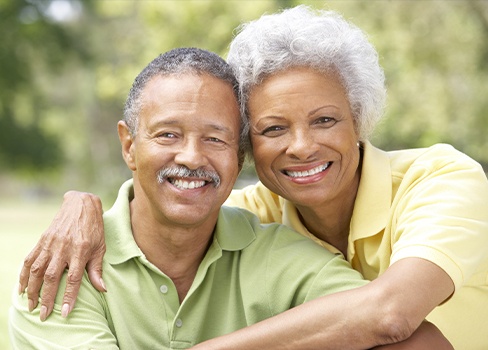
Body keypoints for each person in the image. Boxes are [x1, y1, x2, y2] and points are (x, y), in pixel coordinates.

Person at [18, 5, 488, 349]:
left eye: (324, 120)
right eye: (274, 128)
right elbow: (172, 202)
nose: (301, 145)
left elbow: (390, 314)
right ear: (249, 147)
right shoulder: (249, 219)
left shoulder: (441, 179)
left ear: (359, 121)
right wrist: (82, 204)